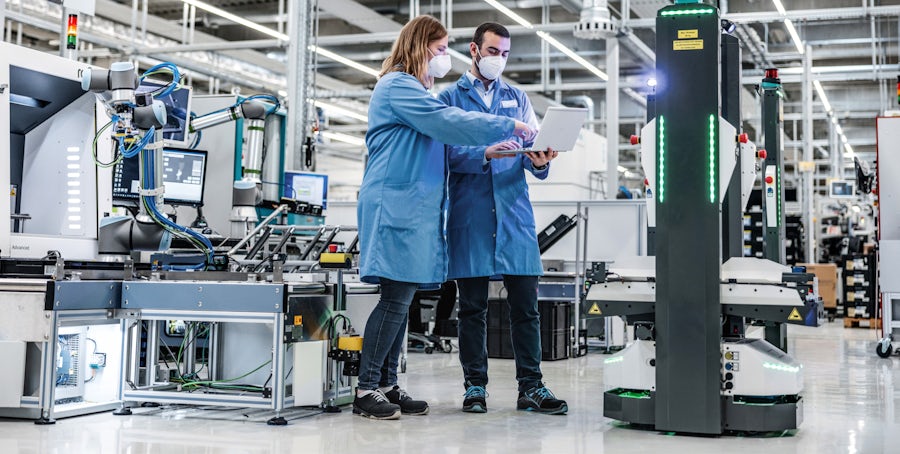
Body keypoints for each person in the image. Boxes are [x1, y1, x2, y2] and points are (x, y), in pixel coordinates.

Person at [354, 15, 535, 420]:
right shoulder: (398, 86)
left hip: (414, 207)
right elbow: (447, 122)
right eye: (439, 50)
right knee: (395, 299)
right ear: (420, 47)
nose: (443, 59)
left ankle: (386, 383)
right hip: (394, 205)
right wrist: (510, 124)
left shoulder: (415, 89)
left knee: (402, 299)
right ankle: (366, 388)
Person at [438, 22, 568, 415]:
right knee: (472, 309)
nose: (500, 60)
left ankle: (532, 386)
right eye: (494, 52)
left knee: (527, 309)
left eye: (506, 54)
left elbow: (532, 152)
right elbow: (443, 155)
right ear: (475, 50)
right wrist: (484, 153)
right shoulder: (448, 98)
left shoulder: (517, 97)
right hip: (472, 217)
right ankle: (474, 387)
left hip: (514, 216)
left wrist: (541, 162)